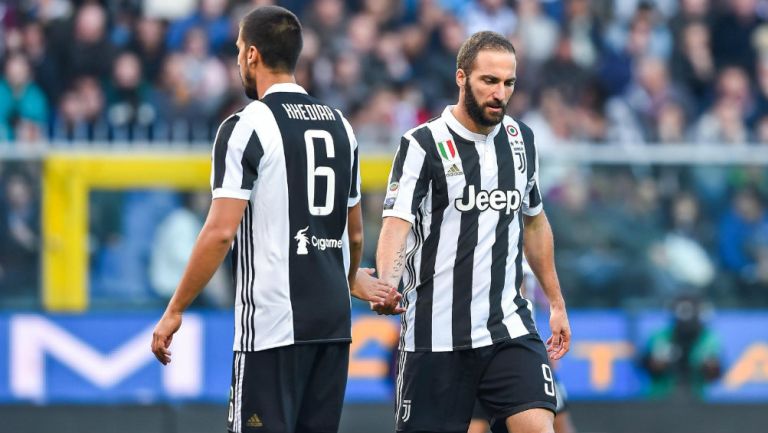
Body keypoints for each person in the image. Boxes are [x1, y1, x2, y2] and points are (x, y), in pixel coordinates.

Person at [150, 6, 398, 433]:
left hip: (272, 327)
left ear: (251, 55)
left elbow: (221, 231)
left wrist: (175, 310)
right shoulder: (341, 126)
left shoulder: (245, 126)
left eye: (237, 51)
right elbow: (354, 233)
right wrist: (348, 276)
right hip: (333, 328)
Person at [374, 31, 571, 433]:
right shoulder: (422, 144)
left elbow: (534, 220)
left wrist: (555, 301)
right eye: (489, 81)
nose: (500, 93)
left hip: (509, 327)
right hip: (436, 335)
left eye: (509, 83)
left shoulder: (521, 140)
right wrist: (388, 283)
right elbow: (396, 224)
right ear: (461, 77)